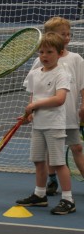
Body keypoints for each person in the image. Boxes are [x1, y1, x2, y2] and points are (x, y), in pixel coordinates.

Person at [16, 32, 75, 215]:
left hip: (54, 125)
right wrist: (29, 115)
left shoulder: (62, 73)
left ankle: (68, 199)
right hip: (38, 126)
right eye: (41, 52)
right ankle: (40, 195)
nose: (44, 56)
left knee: (58, 163)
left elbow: (59, 99)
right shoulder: (34, 74)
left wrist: (35, 105)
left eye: (49, 52)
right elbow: (34, 97)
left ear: (59, 53)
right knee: (38, 161)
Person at [30, 17, 84, 196]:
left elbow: (82, 85)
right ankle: (50, 182)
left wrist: (83, 105)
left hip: (68, 114)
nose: (67, 37)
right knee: (47, 152)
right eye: (63, 34)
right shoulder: (41, 61)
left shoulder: (75, 59)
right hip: (48, 117)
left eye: (69, 34)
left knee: (76, 148)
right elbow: (34, 87)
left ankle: (68, 193)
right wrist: (31, 108)